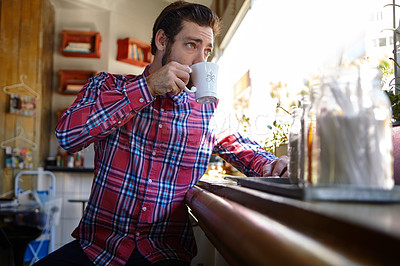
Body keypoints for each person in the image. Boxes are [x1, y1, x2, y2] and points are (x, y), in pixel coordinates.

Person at [36, 1, 288, 265]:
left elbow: (249, 153)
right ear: (161, 40)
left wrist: (275, 165)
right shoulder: (108, 85)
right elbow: (68, 135)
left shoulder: (210, 112)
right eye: (191, 45)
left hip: (163, 256)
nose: (201, 60)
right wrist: (147, 88)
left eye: (208, 51)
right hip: (98, 250)